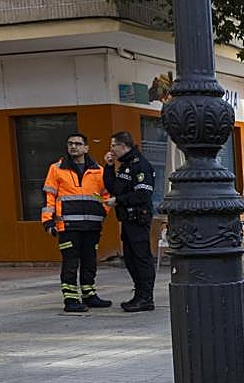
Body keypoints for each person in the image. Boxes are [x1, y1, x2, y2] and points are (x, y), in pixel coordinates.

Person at [41, 132, 112, 313]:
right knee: (70, 262)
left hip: (92, 226)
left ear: (86, 148)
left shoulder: (99, 170)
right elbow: (49, 196)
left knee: (90, 261)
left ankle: (89, 294)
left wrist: (102, 211)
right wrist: (48, 223)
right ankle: (71, 298)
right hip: (68, 226)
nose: (73, 147)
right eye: (70, 143)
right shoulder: (56, 169)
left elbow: (106, 195)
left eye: (78, 144)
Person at [103, 131, 157, 312]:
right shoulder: (124, 165)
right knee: (130, 258)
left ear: (123, 145)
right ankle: (139, 294)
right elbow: (113, 188)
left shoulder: (140, 165)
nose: (111, 149)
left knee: (141, 258)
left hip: (138, 219)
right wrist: (109, 166)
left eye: (113, 146)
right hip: (126, 219)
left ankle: (146, 297)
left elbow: (143, 194)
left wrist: (118, 201)